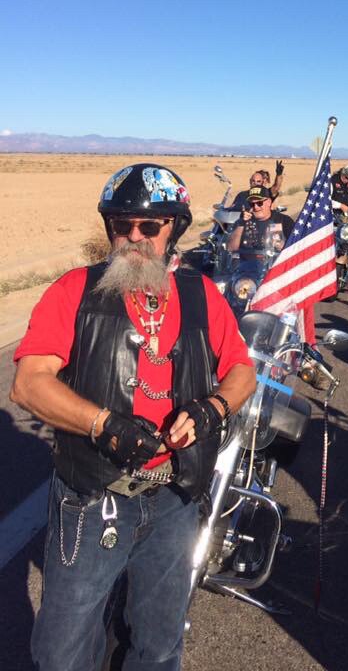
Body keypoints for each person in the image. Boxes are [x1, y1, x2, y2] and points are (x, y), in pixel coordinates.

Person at [10, 162, 257, 671]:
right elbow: (29, 383)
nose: (134, 237)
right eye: (122, 225)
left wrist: (212, 408)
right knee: (62, 651)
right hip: (93, 495)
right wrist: (103, 424)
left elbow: (241, 371)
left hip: (174, 498)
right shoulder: (75, 291)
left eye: (150, 226)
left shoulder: (201, 295)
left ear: (175, 229)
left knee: (159, 643)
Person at [227, 186, 295, 254]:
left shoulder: (284, 221)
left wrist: (282, 245)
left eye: (259, 203)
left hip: (275, 262)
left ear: (269, 202)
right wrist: (241, 224)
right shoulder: (242, 222)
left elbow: (296, 246)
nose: (255, 207)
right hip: (248, 262)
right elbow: (231, 248)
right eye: (252, 204)